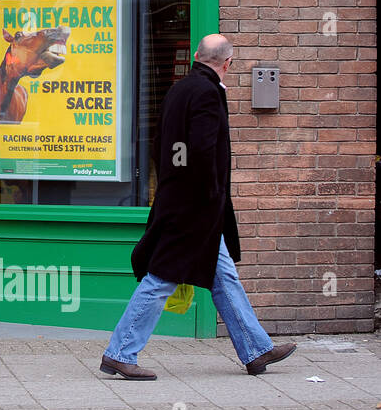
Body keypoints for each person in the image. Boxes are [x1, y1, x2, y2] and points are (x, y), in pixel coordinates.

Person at [100, 35, 295, 380]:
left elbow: (164, 145)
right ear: (227, 63)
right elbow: (203, 151)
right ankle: (120, 352)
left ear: (196, 56)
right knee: (162, 277)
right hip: (196, 208)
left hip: (182, 200)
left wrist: (171, 185)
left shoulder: (179, 89)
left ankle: (255, 349)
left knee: (224, 277)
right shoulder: (207, 92)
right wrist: (209, 195)